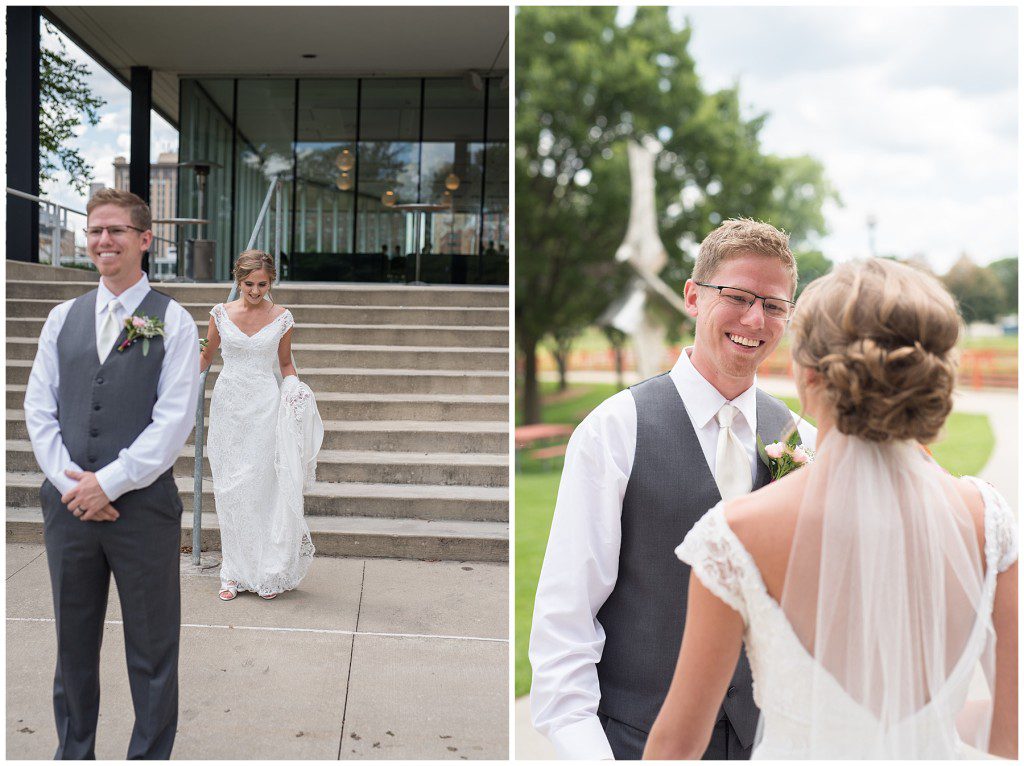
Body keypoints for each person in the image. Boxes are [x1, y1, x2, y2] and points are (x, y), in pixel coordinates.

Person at [645, 258, 1018, 759]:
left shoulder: (735, 536)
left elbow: (676, 747)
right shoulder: (986, 519)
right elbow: (1012, 726)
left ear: (810, 374)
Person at [530, 219, 816, 760]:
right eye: (737, 297)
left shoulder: (804, 441)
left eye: (775, 306)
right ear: (693, 297)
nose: (755, 319)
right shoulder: (613, 431)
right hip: (638, 745)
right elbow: (564, 625)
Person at [24, 188, 200, 759]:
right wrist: (72, 482)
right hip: (70, 510)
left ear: (144, 239)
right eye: (96, 230)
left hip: (142, 510)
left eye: (117, 230)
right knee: (72, 646)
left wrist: (111, 482)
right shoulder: (62, 318)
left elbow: (173, 421)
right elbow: (38, 407)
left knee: (152, 649)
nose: (103, 240)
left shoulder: (172, 321)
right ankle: (74, 752)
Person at [200, 250, 320, 601]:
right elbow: (206, 354)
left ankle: (267, 569)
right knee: (230, 488)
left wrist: (294, 389)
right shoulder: (219, 314)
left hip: (265, 407)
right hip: (228, 407)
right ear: (238, 280)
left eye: (262, 284)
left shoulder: (282, 317)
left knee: (261, 487)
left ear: (272, 282)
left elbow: (285, 364)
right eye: (249, 284)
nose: (255, 291)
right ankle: (233, 572)